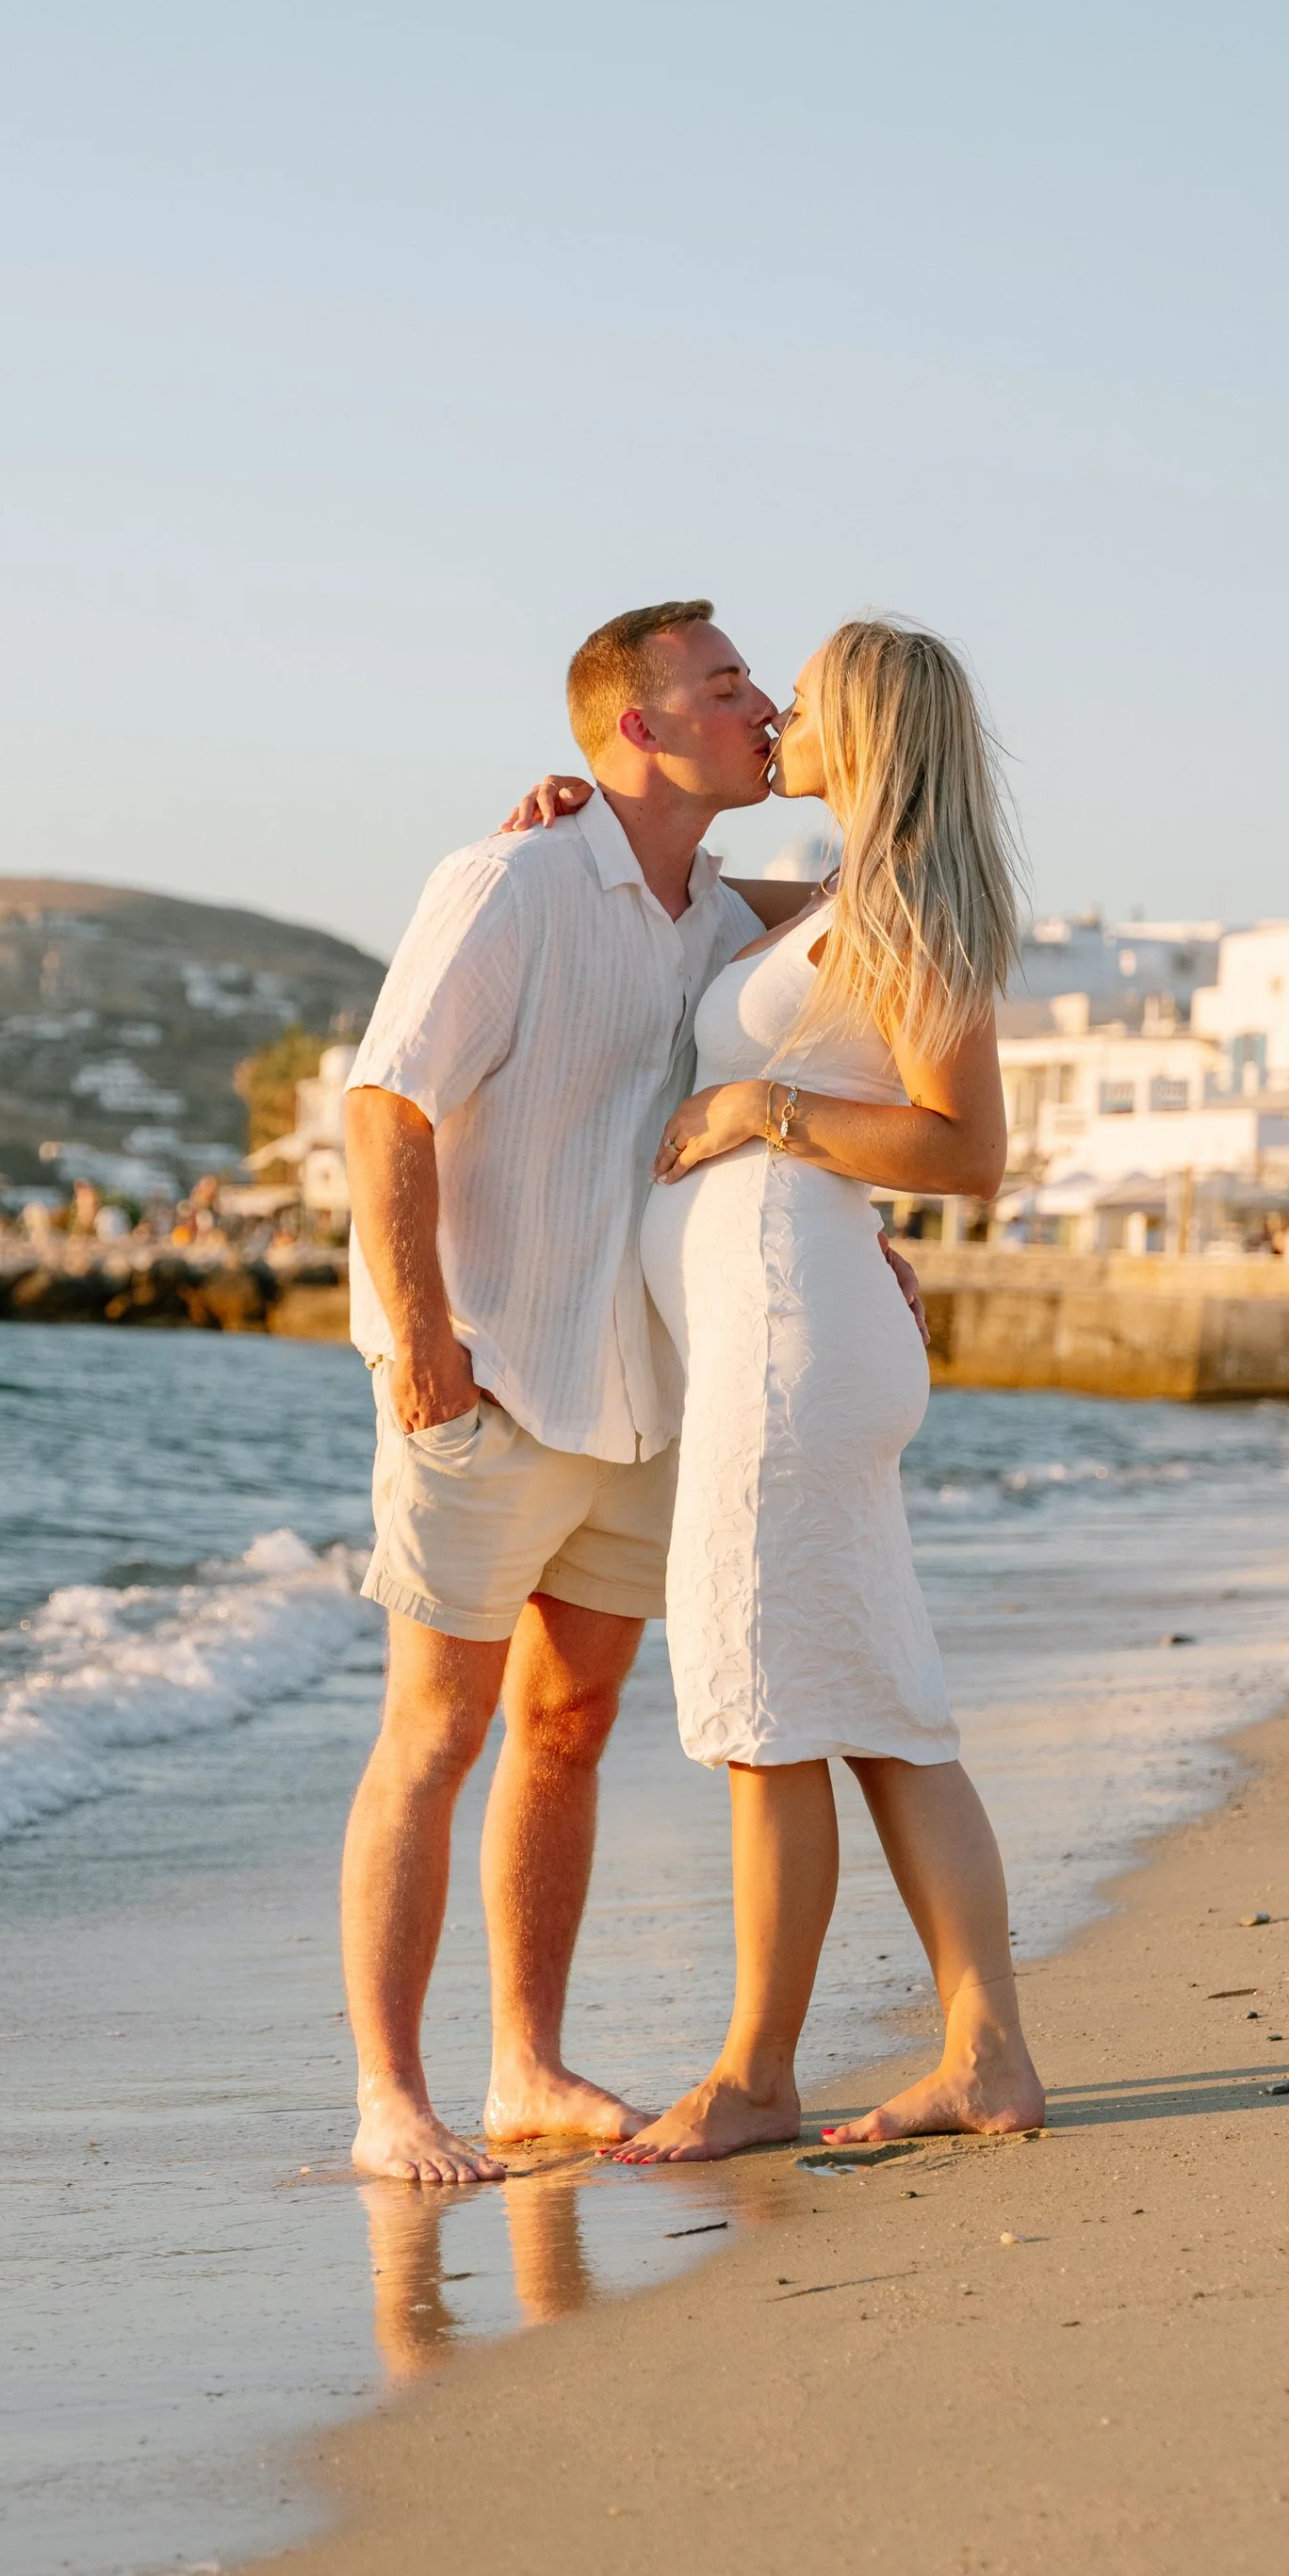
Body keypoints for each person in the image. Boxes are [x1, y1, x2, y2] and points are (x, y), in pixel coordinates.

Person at [338, 600, 917, 2184]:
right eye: (726, 684)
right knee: (434, 1734)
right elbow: (385, 1108)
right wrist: (426, 1339)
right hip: (490, 1371)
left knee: (570, 1724)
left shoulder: (720, 917)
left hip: (641, 1388)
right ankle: (392, 2094)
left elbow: (897, 895)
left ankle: (525, 2063)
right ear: (638, 730)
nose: (758, 703)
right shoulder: (512, 880)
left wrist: (845, 1236)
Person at [607, 620, 1045, 2155]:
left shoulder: (912, 908)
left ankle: (756, 2075)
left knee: (771, 1710)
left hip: (790, 1345)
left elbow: (967, 1154)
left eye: (805, 697)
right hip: (792, 1326)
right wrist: (585, 814)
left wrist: (758, 1105)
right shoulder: (857, 897)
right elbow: (694, 899)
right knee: (874, 1709)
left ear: (867, 728)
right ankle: (983, 2055)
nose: (780, 712)